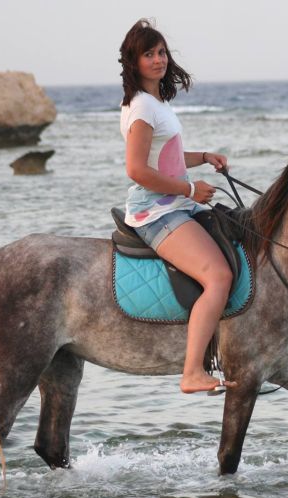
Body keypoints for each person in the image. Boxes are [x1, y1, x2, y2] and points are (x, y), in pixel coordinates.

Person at [118, 19, 237, 394]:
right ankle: (192, 373)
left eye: (161, 52)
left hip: (173, 206)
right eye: (148, 54)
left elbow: (164, 159)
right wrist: (189, 188)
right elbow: (137, 169)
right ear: (134, 62)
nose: (158, 60)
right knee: (218, 276)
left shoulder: (155, 104)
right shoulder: (141, 108)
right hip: (156, 213)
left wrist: (202, 156)